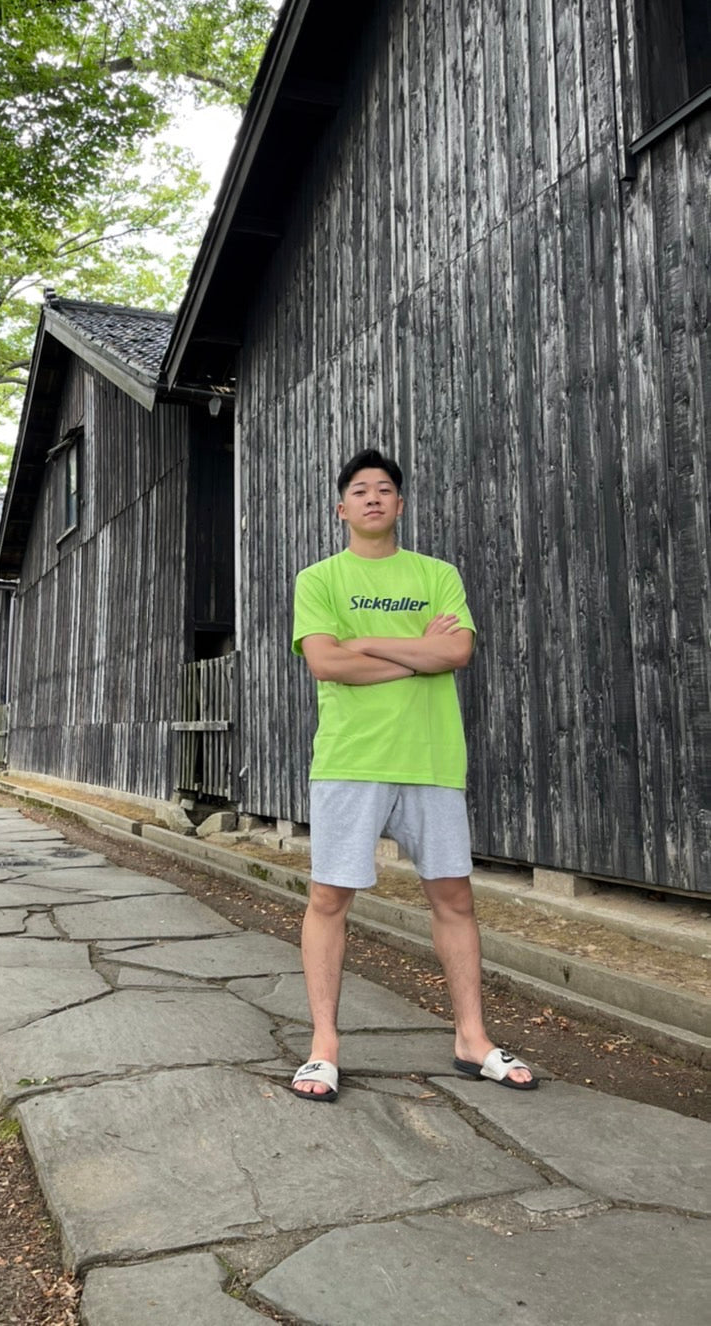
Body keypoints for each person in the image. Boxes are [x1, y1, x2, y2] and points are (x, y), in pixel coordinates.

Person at [289, 447, 536, 1102]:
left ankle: (471, 1039)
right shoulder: (319, 579)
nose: (373, 497)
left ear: (400, 504)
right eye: (360, 490)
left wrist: (367, 643)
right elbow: (326, 664)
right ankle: (324, 1047)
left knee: (453, 897)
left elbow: (456, 649)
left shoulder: (438, 573)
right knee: (328, 898)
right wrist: (416, 654)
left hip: (431, 757)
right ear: (341, 509)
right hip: (351, 758)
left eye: (385, 489)